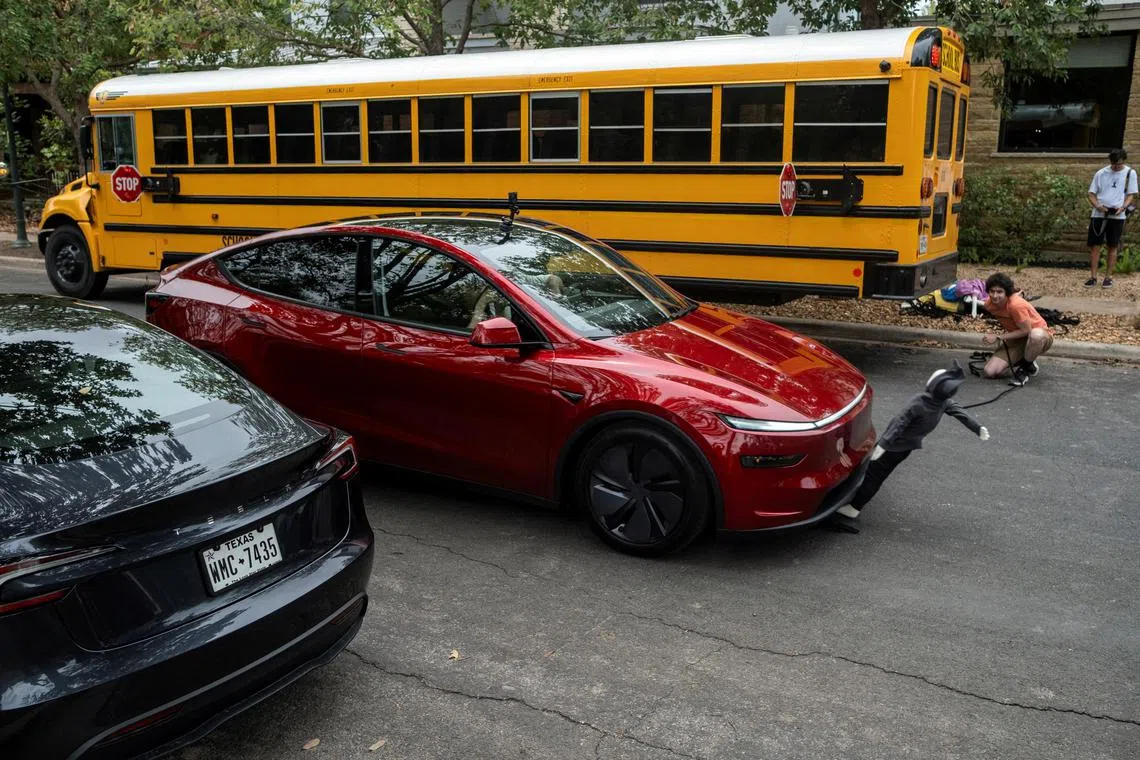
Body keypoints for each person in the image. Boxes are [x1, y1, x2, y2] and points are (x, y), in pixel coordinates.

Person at [830, 359, 989, 533]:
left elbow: (899, 423)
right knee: (875, 473)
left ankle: (853, 509)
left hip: (892, 446)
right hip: (905, 449)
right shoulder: (943, 403)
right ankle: (853, 502)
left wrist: (883, 445)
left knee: (873, 476)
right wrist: (978, 428)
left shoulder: (919, 402)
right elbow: (961, 414)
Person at [980, 272, 1053, 386]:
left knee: (1035, 335)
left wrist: (998, 337)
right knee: (990, 372)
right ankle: (1024, 360)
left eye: (999, 292)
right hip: (1018, 338)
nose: (995, 295)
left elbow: (1027, 331)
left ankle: (1026, 368)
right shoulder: (989, 305)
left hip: (1040, 336)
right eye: (992, 291)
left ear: (1007, 293)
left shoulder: (1016, 305)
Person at [1086, 148, 1137, 288]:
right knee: (1095, 246)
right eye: (1114, 164)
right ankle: (1093, 277)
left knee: (1112, 246)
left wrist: (1123, 207)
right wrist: (1098, 206)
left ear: (1124, 161)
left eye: (1119, 164)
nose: (1116, 167)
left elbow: (1131, 194)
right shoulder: (1101, 173)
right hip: (1099, 214)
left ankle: (1108, 277)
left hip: (1118, 215)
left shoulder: (1129, 173)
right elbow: (1091, 193)